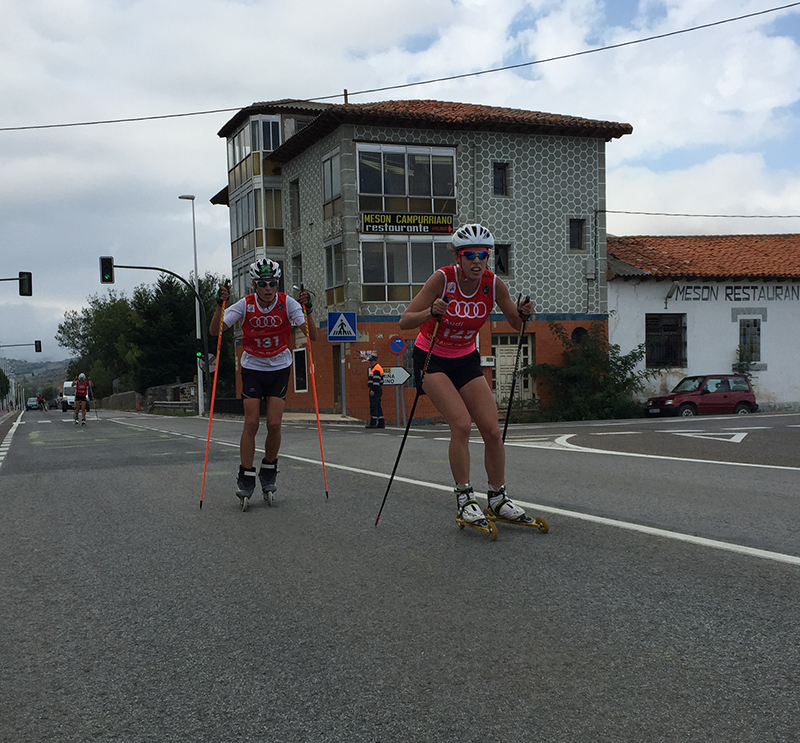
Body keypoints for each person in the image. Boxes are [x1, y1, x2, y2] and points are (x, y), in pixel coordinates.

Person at [399, 223, 535, 526]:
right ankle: (464, 498)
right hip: (432, 357)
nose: (477, 261)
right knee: (461, 424)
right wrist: (431, 313)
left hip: (465, 359)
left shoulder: (493, 284)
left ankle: (498, 498)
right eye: (469, 255)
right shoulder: (442, 280)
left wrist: (524, 314)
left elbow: (515, 321)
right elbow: (405, 321)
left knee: (491, 429)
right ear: (458, 258)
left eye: (482, 255)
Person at [210, 259, 317, 510]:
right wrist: (219, 306)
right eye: (262, 284)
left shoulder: (287, 303)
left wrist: (307, 312)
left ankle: (269, 467)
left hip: (280, 366)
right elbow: (216, 331)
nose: (268, 288)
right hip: (253, 367)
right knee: (251, 422)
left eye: (272, 283)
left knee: (275, 423)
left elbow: (313, 335)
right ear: (254, 285)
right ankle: (246, 474)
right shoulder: (245, 305)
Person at [365, 354, 385, 429]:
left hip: (375, 389)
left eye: (371, 361)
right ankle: (381, 422)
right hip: (378, 389)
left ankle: (373, 423)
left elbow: (376, 381)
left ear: (375, 361)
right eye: (370, 361)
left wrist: (373, 390)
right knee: (378, 406)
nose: (370, 362)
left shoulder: (376, 369)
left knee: (374, 406)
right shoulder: (377, 368)